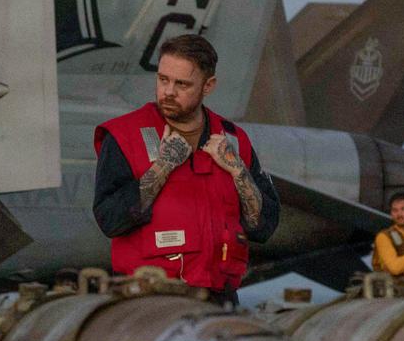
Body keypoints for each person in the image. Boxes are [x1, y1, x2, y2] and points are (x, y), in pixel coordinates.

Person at [92, 33, 279, 303]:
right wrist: (163, 166)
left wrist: (238, 170)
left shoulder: (234, 140)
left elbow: (263, 227)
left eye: (182, 84)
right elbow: (110, 220)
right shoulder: (124, 136)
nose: (168, 91)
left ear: (208, 85)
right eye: (163, 79)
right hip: (148, 302)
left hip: (218, 301)